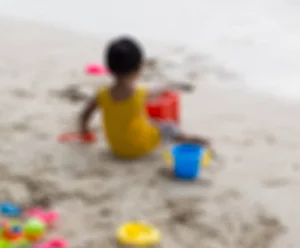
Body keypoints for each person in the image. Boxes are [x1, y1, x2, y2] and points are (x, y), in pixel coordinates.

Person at [78, 36, 210, 159]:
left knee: (144, 121)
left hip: (116, 148)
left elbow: (84, 115)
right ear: (138, 69)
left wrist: (85, 131)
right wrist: (169, 84)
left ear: (109, 69)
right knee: (170, 127)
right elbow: (158, 90)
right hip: (138, 147)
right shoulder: (139, 94)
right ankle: (191, 140)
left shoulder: (101, 94)